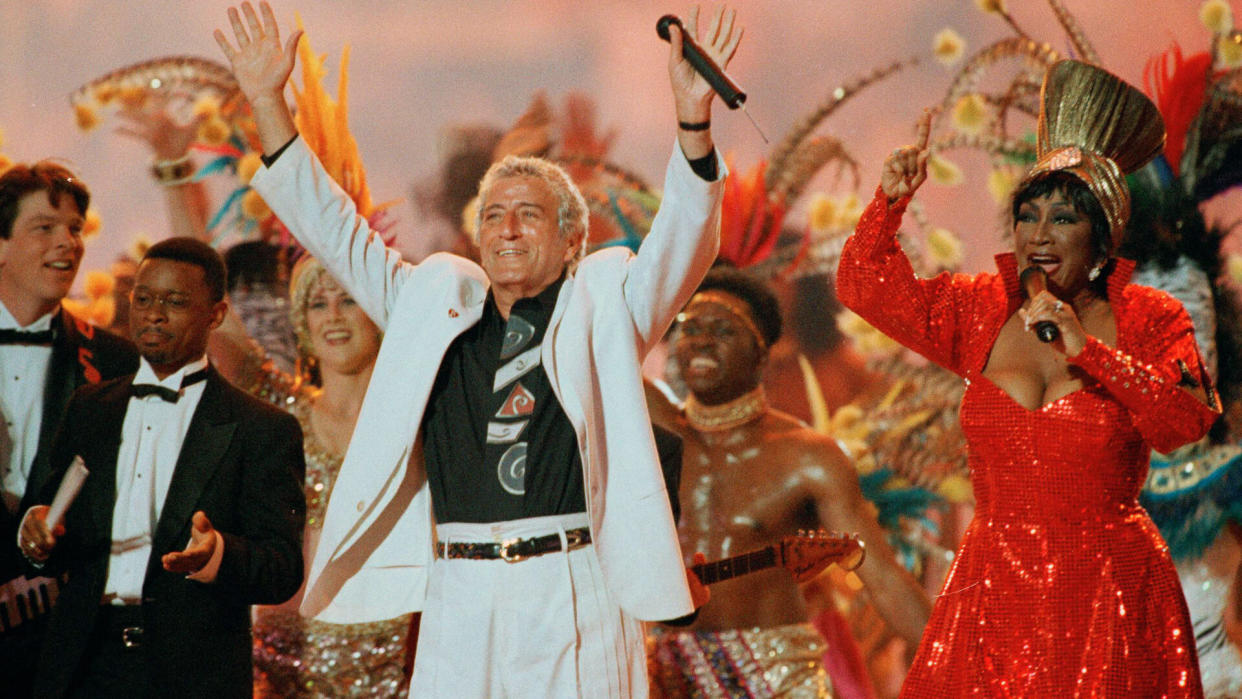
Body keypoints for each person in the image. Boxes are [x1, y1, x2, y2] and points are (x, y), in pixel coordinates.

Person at [214, 2, 735, 695]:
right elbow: (334, 229)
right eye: (493, 213)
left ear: (572, 237)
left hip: (571, 583)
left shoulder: (605, 303)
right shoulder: (434, 306)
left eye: (529, 213)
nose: (507, 228)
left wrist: (693, 124)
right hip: (459, 588)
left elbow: (682, 240)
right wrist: (266, 103)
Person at [837, 59, 1220, 696]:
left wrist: (1091, 356)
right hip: (994, 591)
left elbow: (1185, 422)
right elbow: (863, 284)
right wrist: (890, 202)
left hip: (1109, 591)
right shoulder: (978, 307)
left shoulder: (1151, 317)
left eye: (1063, 219)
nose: (1039, 235)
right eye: (1027, 215)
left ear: (1102, 240)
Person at [17, 237, 306, 698]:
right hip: (80, 662)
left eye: (175, 302)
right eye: (144, 299)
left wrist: (215, 555)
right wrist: (34, 532)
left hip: (191, 673)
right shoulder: (90, 408)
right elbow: (50, 517)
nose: (153, 314)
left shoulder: (262, 429)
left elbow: (282, 568)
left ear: (216, 314)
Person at [645, 267, 930, 697]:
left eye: (723, 330)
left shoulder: (809, 457)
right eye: (691, 328)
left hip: (774, 673)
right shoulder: (652, 431)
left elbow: (884, 578)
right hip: (667, 672)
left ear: (763, 356)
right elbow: (590, 342)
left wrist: (965, 664)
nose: (702, 340)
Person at [212, 255, 414, 697]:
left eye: (348, 300)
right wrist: (175, 186)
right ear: (302, 323)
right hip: (289, 666)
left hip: (398, 660)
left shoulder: (419, 423)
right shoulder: (281, 414)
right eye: (318, 305)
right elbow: (217, 319)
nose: (334, 318)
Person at [0, 162, 138, 697]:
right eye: (45, 228)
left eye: (76, 229)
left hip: (67, 656)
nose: (69, 243)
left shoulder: (116, 360)